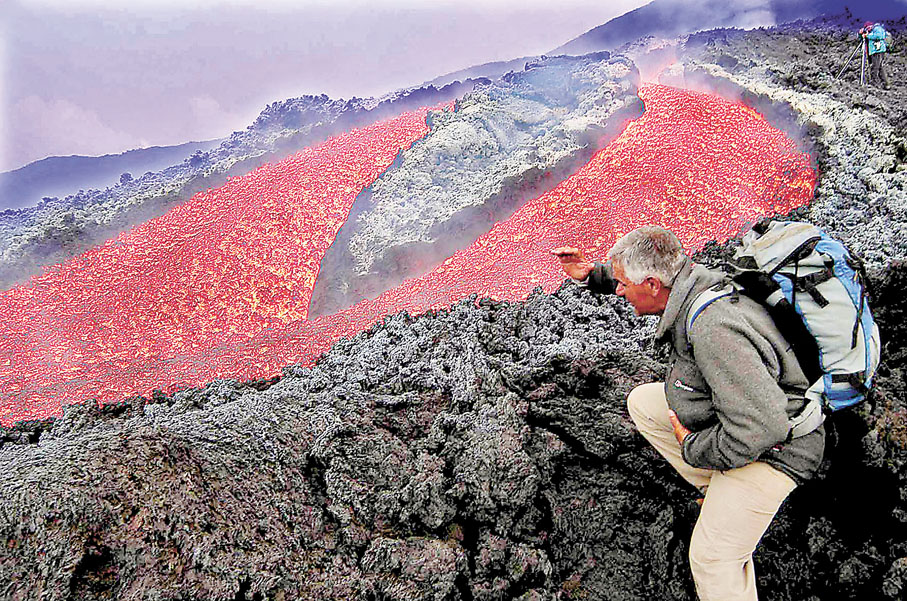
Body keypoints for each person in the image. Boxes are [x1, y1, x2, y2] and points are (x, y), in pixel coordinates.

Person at [551, 226, 824, 601]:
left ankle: (732, 496)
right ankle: (720, 493)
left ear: (651, 285)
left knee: (712, 560)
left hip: (781, 451)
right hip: (744, 424)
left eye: (621, 285)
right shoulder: (694, 281)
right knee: (645, 404)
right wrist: (592, 275)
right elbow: (637, 277)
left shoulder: (714, 329)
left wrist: (694, 447)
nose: (618, 292)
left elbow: (763, 427)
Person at [861, 21, 891, 90]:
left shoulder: (877, 28)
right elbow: (863, 38)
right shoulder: (871, 32)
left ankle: (875, 84)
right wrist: (862, 34)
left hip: (878, 51)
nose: (867, 29)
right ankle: (885, 84)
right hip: (874, 52)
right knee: (880, 67)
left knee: (875, 68)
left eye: (868, 28)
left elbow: (879, 36)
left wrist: (867, 36)